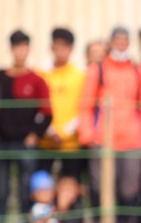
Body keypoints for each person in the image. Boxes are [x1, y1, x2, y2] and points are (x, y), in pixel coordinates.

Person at [78, 26, 141, 223]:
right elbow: (85, 105)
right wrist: (88, 135)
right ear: (111, 42)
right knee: (100, 195)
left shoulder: (139, 70)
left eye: (124, 40)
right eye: (117, 40)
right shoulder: (97, 69)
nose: (121, 44)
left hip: (131, 143)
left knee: (129, 195)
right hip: (102, 142)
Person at [0, 30, 52, 223]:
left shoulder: (36, 80)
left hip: (25, 146)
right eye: (16, 46)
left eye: (23, 46)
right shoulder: (0, 77)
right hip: (2, 145)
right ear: (11, 49)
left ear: (28, 49)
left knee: (26, 194)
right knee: (2, 192)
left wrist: (34, 134)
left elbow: (47, 113)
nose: (20, 51)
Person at [38, 28, 86, 182]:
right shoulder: (41, 74)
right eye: (57, 46)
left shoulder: (79, 75)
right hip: (46, 141)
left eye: (65, 47)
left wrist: (65, 132)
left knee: (70, 186)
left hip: (70, 143)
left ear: (71, 49)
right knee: (42, 185)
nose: (61, 51)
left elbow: (83, 108)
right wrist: (51, 131)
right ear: (51, 47)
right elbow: (37, 107)